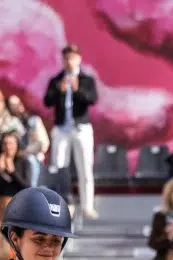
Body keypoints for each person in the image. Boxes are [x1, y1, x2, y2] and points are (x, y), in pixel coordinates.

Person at [43, 44, 99, 219]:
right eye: (66, 58)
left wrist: (77, 90)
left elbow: (92, 99)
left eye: (72, 57)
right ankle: (61, 204)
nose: (69, 61)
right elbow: (47, 101)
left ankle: (87, 206)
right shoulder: (57, 80)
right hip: (62, 128)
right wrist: (59, 90)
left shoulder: (86, 80)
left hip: (81, 127)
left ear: (79, 59)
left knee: (85, 168)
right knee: (58, 167)